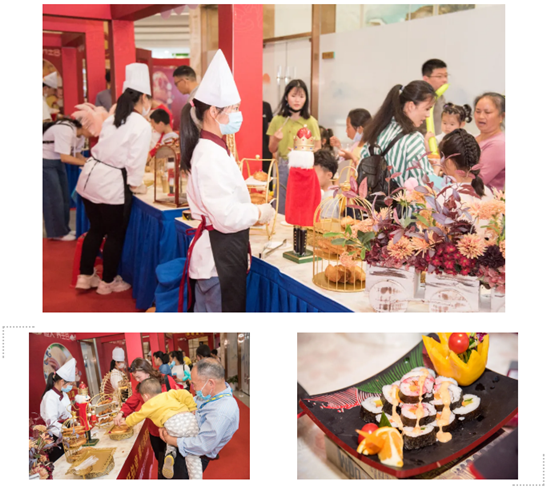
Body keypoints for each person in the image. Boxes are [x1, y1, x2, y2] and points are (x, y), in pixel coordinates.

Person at [180, 50, 275, 312]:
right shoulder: (209, 154)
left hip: (220, 253)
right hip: (217, 258)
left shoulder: (214, 148)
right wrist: (259, 212)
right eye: (234, 109)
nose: (237, 114)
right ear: (213, 111)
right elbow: (226, 216)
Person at [75, 63, 152, 294]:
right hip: (110, 184)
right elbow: (135, 161)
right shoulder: (141, 124)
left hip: (90, 178)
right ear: (144, 97)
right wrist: (136, 185)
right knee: (115, 235)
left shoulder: (113, 117)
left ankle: (85, 276)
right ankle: (107, 282)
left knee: (96, 228)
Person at [159, 358, 239, 479]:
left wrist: (171, 440)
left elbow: (202, 444)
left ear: (211, 383)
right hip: (185, 441)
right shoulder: (210, 394)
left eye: (194, 384)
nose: (193, 387)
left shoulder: (222, 411)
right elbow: (192, 402)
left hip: (194, 452)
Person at [359, 81, 436, 188]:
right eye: (427, 109)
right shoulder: (413, 138)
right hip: (401, 199)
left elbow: (361, 167)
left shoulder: (377, 130)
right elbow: (424, 184)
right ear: (410, 106)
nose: (428, 115)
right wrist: (437, 169)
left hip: (372, 198)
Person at [114, 358, 181, 479]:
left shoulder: (166, 380)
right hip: (155, 432)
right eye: (135, 378)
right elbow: (131, 403)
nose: (138, 380)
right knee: (161, 459)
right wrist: (121, 414)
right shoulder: (141, 388)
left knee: (176, 461)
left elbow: (179, 396)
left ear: (147, 371)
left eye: (139, 377)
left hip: (173, 429)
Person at [122, 378, 201, 479]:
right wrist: (192, 406)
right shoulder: (169, 393)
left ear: (146, 396)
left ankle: (170, 454)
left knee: (170, 439)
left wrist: (125, 422)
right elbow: (185, 393)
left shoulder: (148, 405)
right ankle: (196, 478)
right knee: (193, 456)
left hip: (172, 424)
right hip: (189, 420)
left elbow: (136, 417)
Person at [267, 79, 321, 215]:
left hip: (304, 167)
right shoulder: (277, 120)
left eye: (301, 96)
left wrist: (302, 153)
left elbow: (318, 148)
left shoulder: (311, 121)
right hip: (283, 165)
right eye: (293, 96)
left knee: (301, 204)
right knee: (281, 204)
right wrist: (275, 139)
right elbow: (271, 149)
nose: (297, 100)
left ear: (306, 99)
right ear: (286, 97)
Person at [43, 118, 92, 241]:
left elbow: (77, 155)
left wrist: (90, 161)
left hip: (57, 163)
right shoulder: (65, 130)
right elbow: (65, 157)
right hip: (45, 162)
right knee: (53, 198)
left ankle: (64, 229)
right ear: (85, 126)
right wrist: (88, 164)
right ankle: (57, 233)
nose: (95, 133)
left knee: (64, 197)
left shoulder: (80, 135)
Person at [39, 358, 76, 463]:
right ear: (62, 381)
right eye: (70, 384)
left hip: (66, 432)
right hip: (56, 437)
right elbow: (51, 423)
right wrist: (66, 433)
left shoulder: (64, 394)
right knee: (62, 463)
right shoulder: (50, 396)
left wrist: (73, 423)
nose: (71, 387)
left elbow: (68, 413)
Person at [473, 92, 505, 191]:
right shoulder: (474, 137)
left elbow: (477, 181)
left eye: (487, 112)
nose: (481, 116)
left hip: (480, 198)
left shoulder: (500, 145)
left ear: (501, 116)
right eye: (478, 111)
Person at [421, 59, 448, 134]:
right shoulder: (418, 98)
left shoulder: (441, 97)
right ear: (426, 79)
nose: (445, 80)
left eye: (446, 76)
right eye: (439, 76)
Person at [262, 100, 274, 170]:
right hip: (250, 147)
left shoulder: (266, 106)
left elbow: (270, 127)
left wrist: (273, 151)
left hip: (266, 148)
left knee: (267, 173)